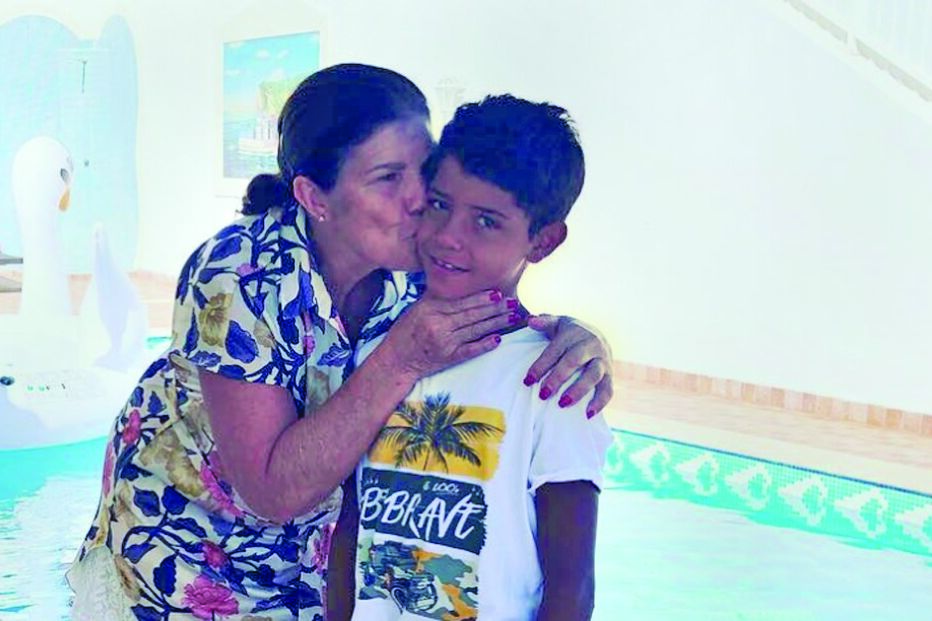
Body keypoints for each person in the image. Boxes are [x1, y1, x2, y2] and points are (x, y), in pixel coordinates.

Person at [66, 64, 614, 621]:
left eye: (423, 171)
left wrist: (578, 339)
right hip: (188, 561)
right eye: (387, 178)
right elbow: (273, 491)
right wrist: (400, 359)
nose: (420, 200)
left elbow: (497, 287)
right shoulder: (240, 275)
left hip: (324, 577)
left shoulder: (418, 265)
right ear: (313, 196)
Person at [328, 94, 612, 620]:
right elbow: (348, 535)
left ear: (544, 241)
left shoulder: (552, 383)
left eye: (485, 222)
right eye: (439, 205)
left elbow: (572, 589)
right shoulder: (379, 351)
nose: (447, 237)